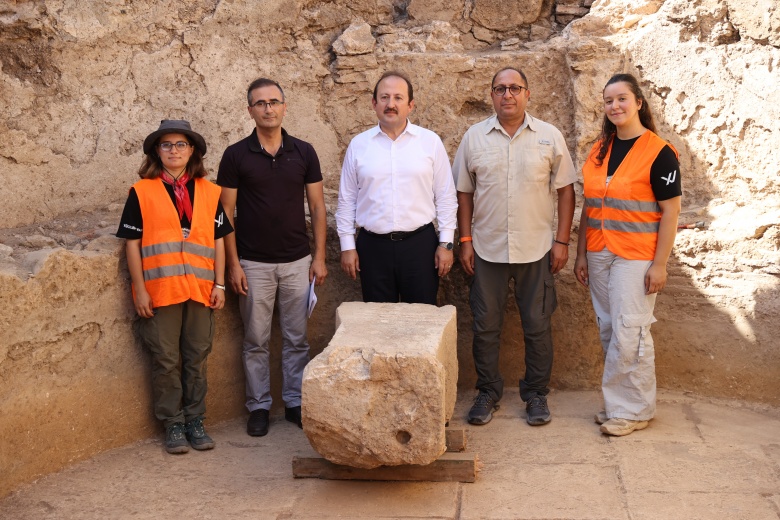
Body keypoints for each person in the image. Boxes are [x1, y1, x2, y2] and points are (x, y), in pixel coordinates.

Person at [453, 67, 576, 427]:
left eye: (515, 88)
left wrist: (562, 241)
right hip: (487, 249)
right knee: (484, 325)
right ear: (491, 95)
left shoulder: (549, 137)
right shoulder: (474, 138)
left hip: (536, 248)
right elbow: (463, 192)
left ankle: (536, 394)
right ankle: (488, 392)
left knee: (537, 325)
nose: (508, 95)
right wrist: (465, 241)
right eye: (500, 89)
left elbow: (566, 190)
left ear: (527, 94)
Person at [217, 78, 327, 437]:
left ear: (284, 106)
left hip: (297, 261)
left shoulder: (304, 151)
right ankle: (259, 406)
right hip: (253, 264)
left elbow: (317, 206)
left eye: (274, 102)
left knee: (297, 339)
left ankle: (294, 402)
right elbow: (226, 214)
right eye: (260, 103)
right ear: (250, 110)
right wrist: (233, 265)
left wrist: (319, 256)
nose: (268, 108)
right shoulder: (235, 155)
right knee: (255, 340)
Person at [574, 73, 681, 437]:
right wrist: (582, 255)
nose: (615, 106)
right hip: (600, 251)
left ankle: (633, 410)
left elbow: (671, 212)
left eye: (622, 99)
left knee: (630, 330)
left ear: (638, 103)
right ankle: (620, 404)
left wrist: (660, 264)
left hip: (636, 256)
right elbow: (590, 205)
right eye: (608, 101)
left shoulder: (659, 152)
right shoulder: (598, 150)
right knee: (609, 327)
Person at [117, 119, 233, 454]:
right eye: (166, 145)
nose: (174, 150)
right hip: (161, 291)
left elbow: (219, 241)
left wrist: (220, 284)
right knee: (166, 359)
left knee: (197, 356)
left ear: (192, 150)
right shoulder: (142, 192)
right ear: (157, 150)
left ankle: (196, 420)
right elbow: (132, 244)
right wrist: (139, 290)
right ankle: (173, 424)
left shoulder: (211, 192)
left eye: (181, 144)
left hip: (200, 290)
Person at [335, 71, 458, 304]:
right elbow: (347, 200)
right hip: (372, 249)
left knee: (421, 320)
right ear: (374, 103)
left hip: (420, 247)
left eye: (398, 98)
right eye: (384, 97)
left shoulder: (429, 142)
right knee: (379, 322)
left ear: (410, 105)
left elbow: (445, 197)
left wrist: (446, 243)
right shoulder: (358, 145)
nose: (391, 104)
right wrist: (347, 246)